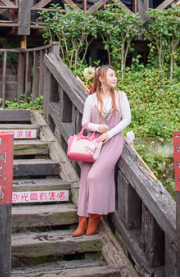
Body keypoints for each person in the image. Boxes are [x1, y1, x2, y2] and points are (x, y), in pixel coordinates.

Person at [74, 66, 131, 237]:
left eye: (115, 75)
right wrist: (97, 127)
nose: (115, 78)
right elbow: (85, 122)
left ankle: (94, 216)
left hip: (113, 141)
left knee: (94, 176)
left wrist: (110, 132)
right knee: (85, 178)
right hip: (93, 142)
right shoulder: (91, 99)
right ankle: (82, 219)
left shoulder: (120, 96)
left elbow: (127, 119)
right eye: (111, 75)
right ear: (101, 78)